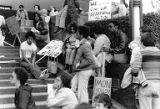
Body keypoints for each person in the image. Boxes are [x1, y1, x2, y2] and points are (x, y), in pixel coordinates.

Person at [132, 32, 160, 109]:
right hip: (158, 85)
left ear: (142, 42)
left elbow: (135, 70)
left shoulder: (141, 53)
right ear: (154, 42)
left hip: (145, 85)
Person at [71, 25, 95, 103]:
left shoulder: (85, 45)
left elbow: (90, 60)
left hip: (85, 70)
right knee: (73, 84)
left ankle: (84, 105)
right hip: (82, 70)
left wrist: (79, 64)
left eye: (77, 32)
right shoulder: (81, 43)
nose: (75, 34)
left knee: (82, 90)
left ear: (81, 35)